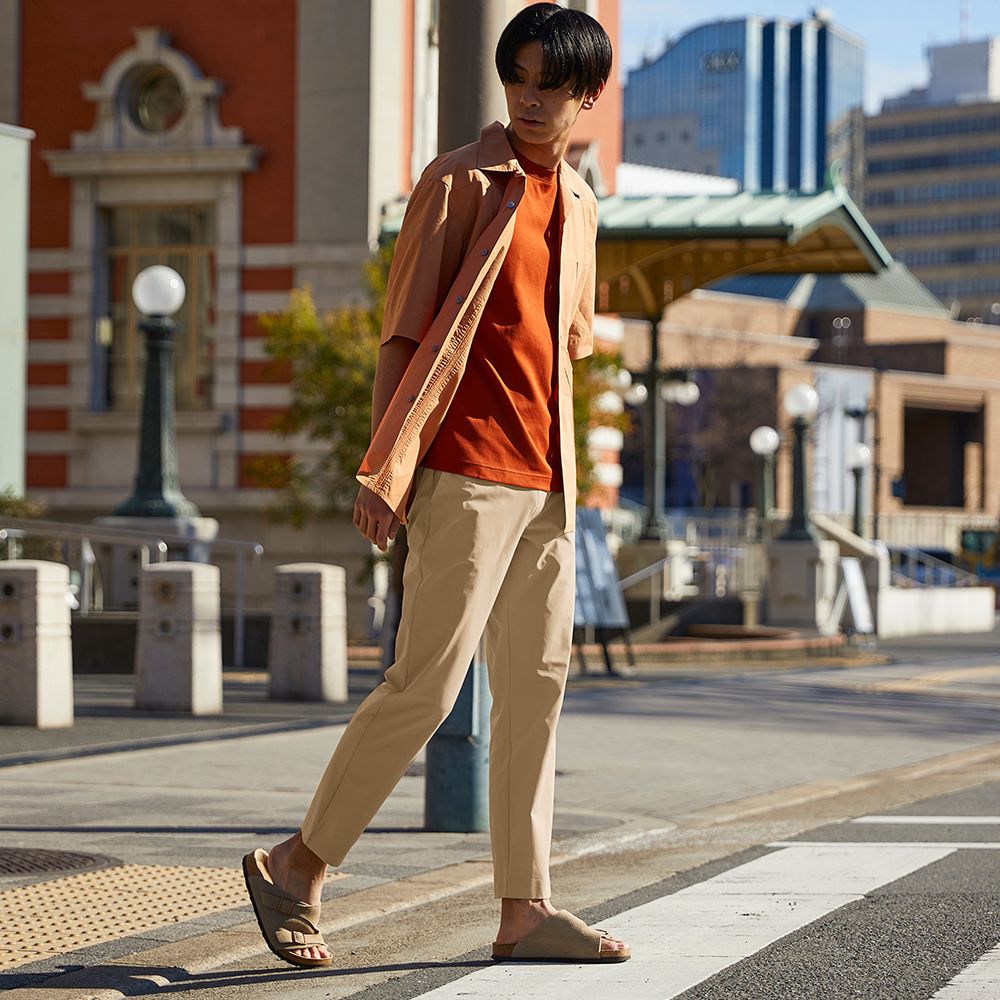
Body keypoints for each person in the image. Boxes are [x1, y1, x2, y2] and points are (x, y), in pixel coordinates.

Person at [243, 2, 630, 968]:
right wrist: (389, 464)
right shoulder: (458, 181)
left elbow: (565, 350)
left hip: (545, 482)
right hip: (463, 469)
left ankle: (524, 907)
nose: (531, 99)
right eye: (519, 78)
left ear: (585, 97)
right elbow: (407, 331)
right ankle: (298, 864)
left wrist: (571, 483)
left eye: (552, 84)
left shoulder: (580, 206)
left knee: (538, 689)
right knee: (427, 685)